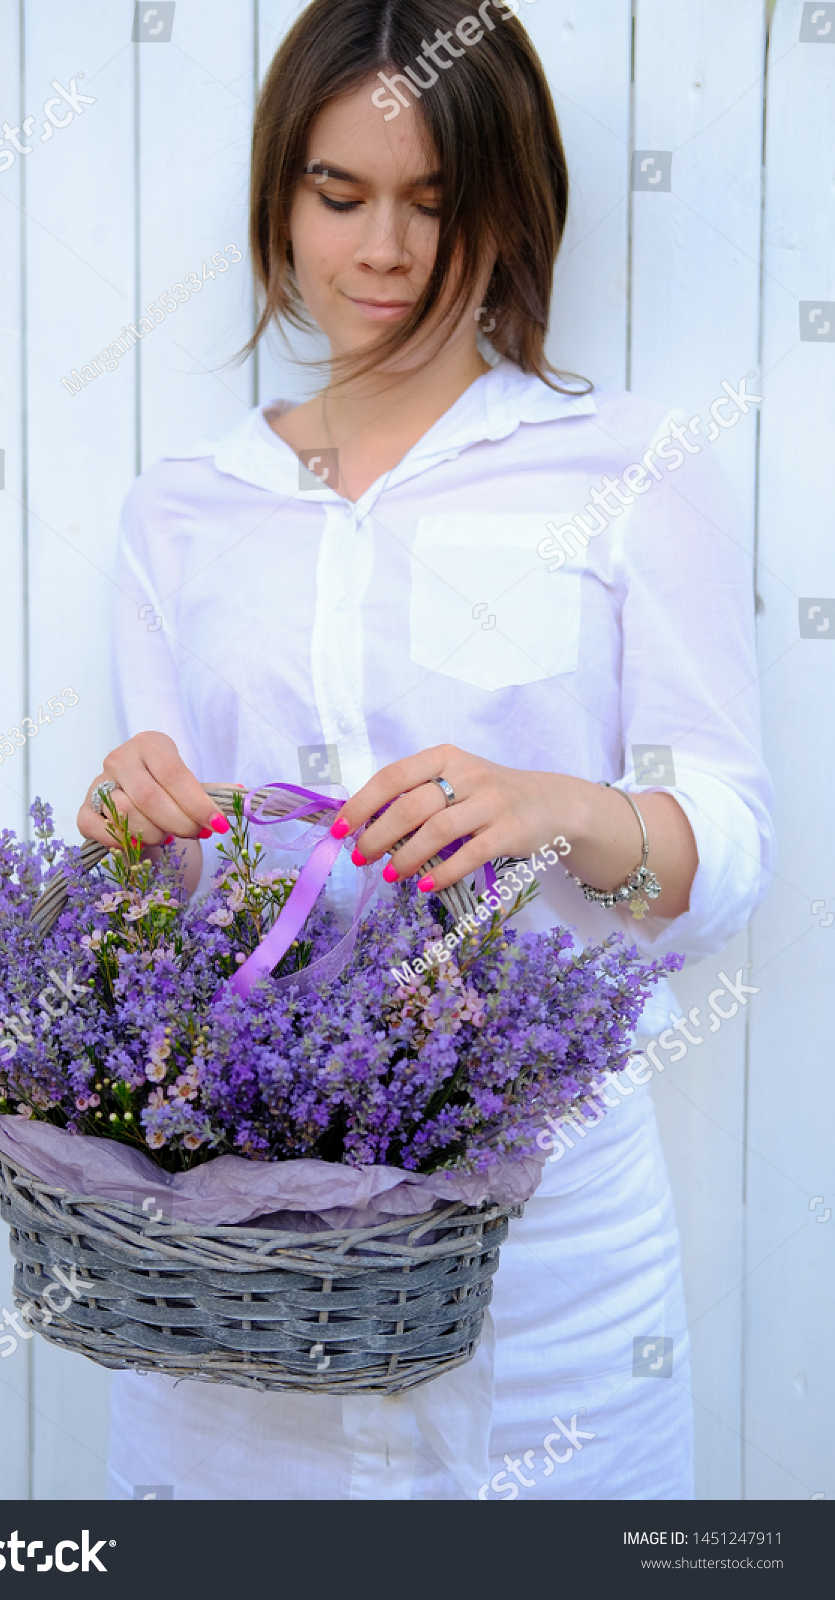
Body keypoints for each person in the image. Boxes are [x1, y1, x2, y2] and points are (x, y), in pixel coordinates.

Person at [79, 0, 773, 1499]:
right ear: (281, 197)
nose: (384, 252)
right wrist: (126, 834)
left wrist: (562, 810)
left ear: (512, 212)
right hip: (244, 1256)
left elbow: (735, 846)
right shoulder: (181, 509)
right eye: (340, 196)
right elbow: (183, 914)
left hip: (549, 1256)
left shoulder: (631, 466)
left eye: (437, 205)